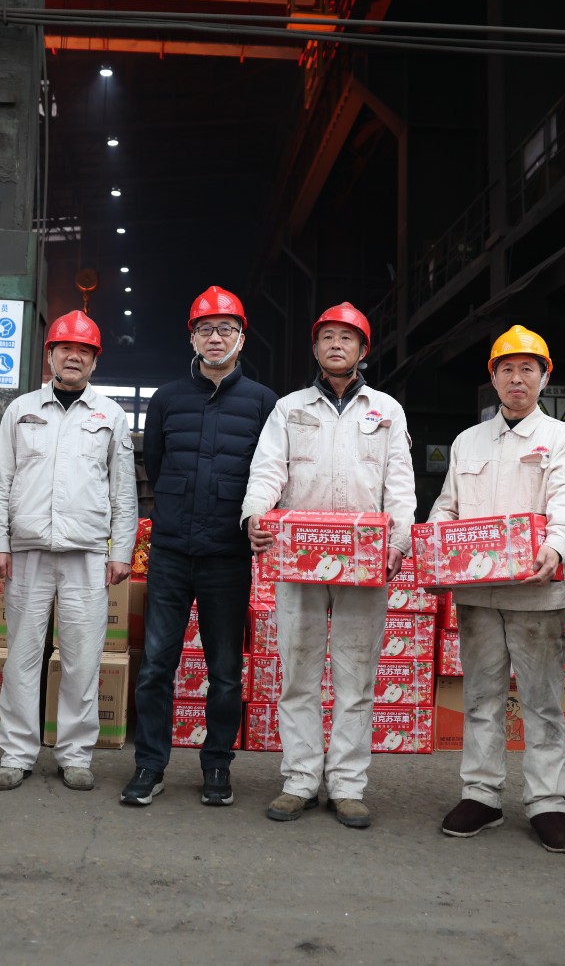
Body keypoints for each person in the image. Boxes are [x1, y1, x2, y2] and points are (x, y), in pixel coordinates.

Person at [243, 302, 416, 829]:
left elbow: (400, 481)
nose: (336, 345)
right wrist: (254, 514)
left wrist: (398, 541)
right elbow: (267, 469)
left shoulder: (385, 410)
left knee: (356, 676)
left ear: (363, 350)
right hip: (299, 557)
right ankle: (299, 780)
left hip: (364, 560)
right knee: (298, 672)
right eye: (327, 337)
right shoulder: (289, 409)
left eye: (347, 338)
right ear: (315, 348)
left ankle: (346, 785)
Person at [428, 325, 565, 852]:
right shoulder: (468, 441)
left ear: (544, 377)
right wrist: (433, 552)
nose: (517, 378)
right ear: (492, 379)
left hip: (537, 590)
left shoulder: (562, 439)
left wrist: (557, 547)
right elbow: (447, 507)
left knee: (542, 701)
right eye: (507, 369)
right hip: (477, 596)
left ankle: (548, 802)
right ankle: (481, 794)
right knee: (480, 696)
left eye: (528, 369)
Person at [121, 287, 277, 807]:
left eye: (226, 329)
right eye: (205, 329)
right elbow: (156, 463)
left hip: (227, 557)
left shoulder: (263, 402)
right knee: (156, 666)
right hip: (170, 553)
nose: (215, 338)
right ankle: (150, 765)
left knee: (225, 671)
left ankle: (216, 766)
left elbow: (269, 473)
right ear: (191, 338)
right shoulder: (167, 399)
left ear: (241, 338)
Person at [0, 311, 137, 792]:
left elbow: (123, 491)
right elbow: (0, 481)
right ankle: (16, 753)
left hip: (86, 555)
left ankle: (74, 755)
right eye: (65, 348)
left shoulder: (109, 415)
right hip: (27, 552)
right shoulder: (21, 410)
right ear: (49, 355)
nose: (74, 357)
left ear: (95, 361)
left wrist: (121, 551)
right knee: (22, 657)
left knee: (82, 659)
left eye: (84, 351)